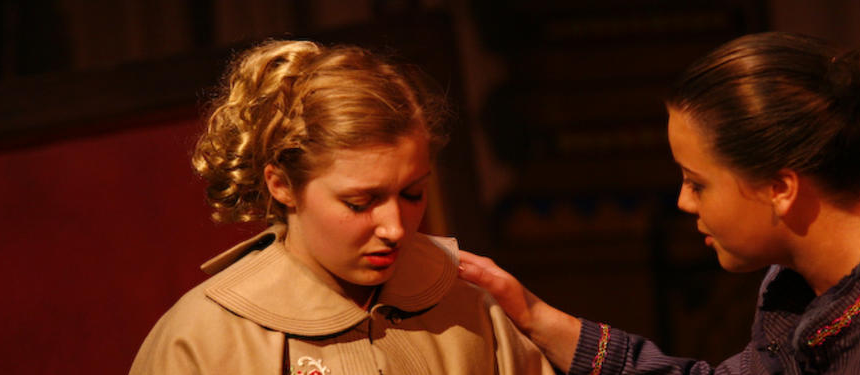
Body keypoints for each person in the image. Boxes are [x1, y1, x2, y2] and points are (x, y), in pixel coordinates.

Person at [458, 32, 860, 374]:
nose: (682, 201)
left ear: (780, 187)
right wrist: (533, 315)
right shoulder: (802, 283)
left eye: (697, 182)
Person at [130, 40, 553, 374]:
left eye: (412, 194)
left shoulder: (468, 308)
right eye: (360, 202)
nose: (396, 228)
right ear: (281, 185)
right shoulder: (204, 338)